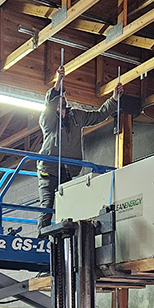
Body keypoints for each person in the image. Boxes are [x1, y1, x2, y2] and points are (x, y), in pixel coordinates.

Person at [37, 65, 124, 231]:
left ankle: (64, 240)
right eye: (59, 95)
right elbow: (50, 102)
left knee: (68, 209)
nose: (62, 96)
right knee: (46, 208)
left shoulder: (76, 115)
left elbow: (98, 115)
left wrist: (113, 100)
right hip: (48, 170)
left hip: (68, 171)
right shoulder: (48, 119)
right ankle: (42, 240)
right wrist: (58, 80)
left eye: (63, 94)